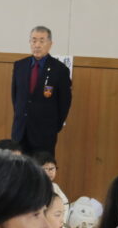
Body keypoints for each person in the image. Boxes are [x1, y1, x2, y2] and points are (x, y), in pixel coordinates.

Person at [10, 26, 72, 156]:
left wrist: (53, 127)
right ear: (30, 42)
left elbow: (64, 103)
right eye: (34, 40)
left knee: (41, 168)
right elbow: (15, 97)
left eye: (42, 41)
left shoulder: (60, 70)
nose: (37, 45)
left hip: (44, 134)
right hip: (20, 132)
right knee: (18, 167)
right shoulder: (19, 66)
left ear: (50, 44)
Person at [34, 151, 82, 228]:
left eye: (52, 169)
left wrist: (61, 221)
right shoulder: (32, 187)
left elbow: (65, 205)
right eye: (45, 169)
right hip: (38, 226)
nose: (49, 172)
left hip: (55, 225)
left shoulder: (55, 187)